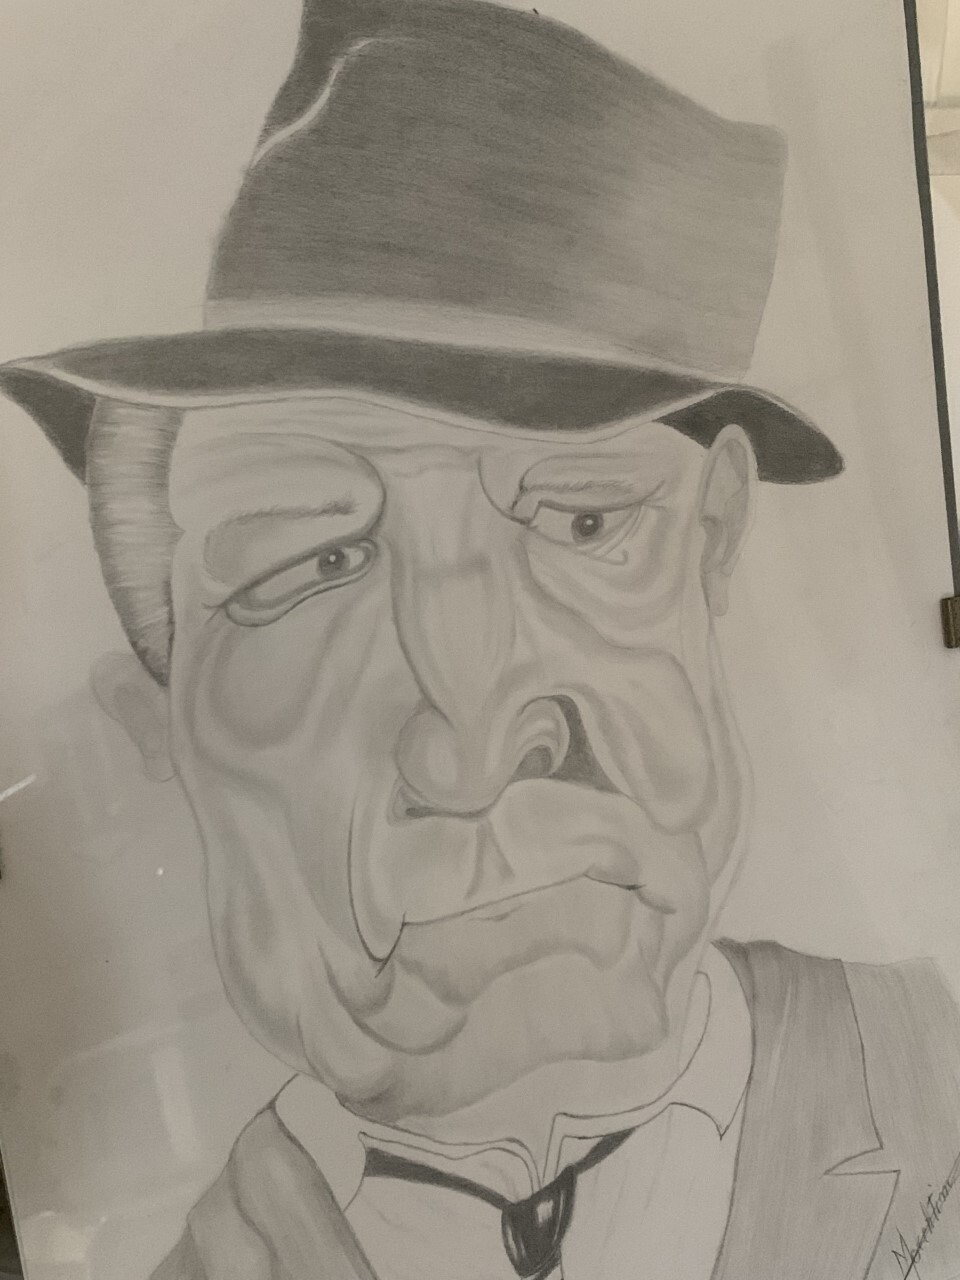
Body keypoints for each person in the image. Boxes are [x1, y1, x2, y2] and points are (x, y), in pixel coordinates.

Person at [3, 1, 960, 1277]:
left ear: (715, 532)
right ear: (161, 723)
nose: (472, 742)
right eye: (310, 566)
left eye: (584, 518)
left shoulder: (927, 1075)